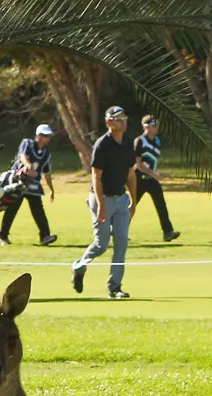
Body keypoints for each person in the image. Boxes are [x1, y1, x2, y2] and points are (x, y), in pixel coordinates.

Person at [71, 106, 138, 299]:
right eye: (118, 119)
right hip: (101, 198)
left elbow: (131, 174)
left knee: (122, 243)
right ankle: (79, 266)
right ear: (109, 123)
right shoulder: (102, 145)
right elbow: (96, 177)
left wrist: (133, 201)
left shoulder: (128, 143)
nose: (123, 122)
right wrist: (100, 204)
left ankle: (114, 287)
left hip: (120, 199)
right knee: (101, 245)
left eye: (124, 118)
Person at [0, 123, 57, 247]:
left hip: (33, 185)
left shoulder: (46, 154)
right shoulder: (27, 143)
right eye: (46, 136)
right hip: (18, 182)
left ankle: (45, 236)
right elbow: (22, 156)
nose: (48, 139)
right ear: (38, 136)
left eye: (48, 136)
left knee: (38, 211)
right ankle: (2, 235)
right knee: (12, 209)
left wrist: (51, 189)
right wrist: (28, 165)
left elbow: (47, 173)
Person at [134, 115, 180, 242]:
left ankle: (168, 232)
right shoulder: (140, 141)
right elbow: (138, 163)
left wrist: (154, 174)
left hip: (151, 179)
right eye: (154, 125)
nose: (157, 128)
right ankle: (116, 231)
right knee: (131, 206)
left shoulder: (157, 141)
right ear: (146, 126)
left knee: (161, 205)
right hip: (139, 178)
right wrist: (154, 175)